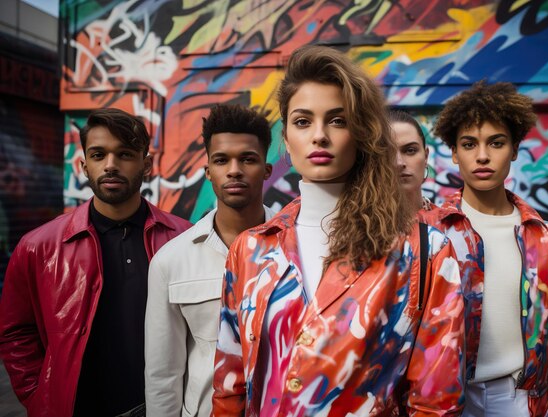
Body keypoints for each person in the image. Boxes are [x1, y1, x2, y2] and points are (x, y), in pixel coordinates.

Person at [211, 45, 466, 416]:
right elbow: (230, 385)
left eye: (337, 120)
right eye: (302, 121)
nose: (319, 136)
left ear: (362, 133)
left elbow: (436, 401)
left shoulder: (423, 251)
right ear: (286, 137)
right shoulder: (251, 250)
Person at [0, 108, 191, 417]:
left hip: (164, 408)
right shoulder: (38, 247)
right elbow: (16, 333)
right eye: (99, 155)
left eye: (125, 154)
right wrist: (40, 397)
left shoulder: (185, 240)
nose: (111, 165)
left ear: (146, 165)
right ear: (84, 165)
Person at [422, 81, 548, 417]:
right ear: (454, 153)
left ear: (514, 149)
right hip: (442, 396)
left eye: (496, 143)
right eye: (469, 144)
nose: (482, 156)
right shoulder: (429, 233)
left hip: (519, 397)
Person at [145, 104, 275, 417]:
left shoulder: (297, 250)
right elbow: (163, 373)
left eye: (247, 159)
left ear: (266, 170)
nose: (234, 170)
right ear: (208, 172)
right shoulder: (170, 261)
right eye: (221, 160)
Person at [389, 109, 431, 213]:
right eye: (387, 153)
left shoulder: (450, 225)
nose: (399, 163)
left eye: (410, 150)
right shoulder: (356, 227)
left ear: (425, 156)